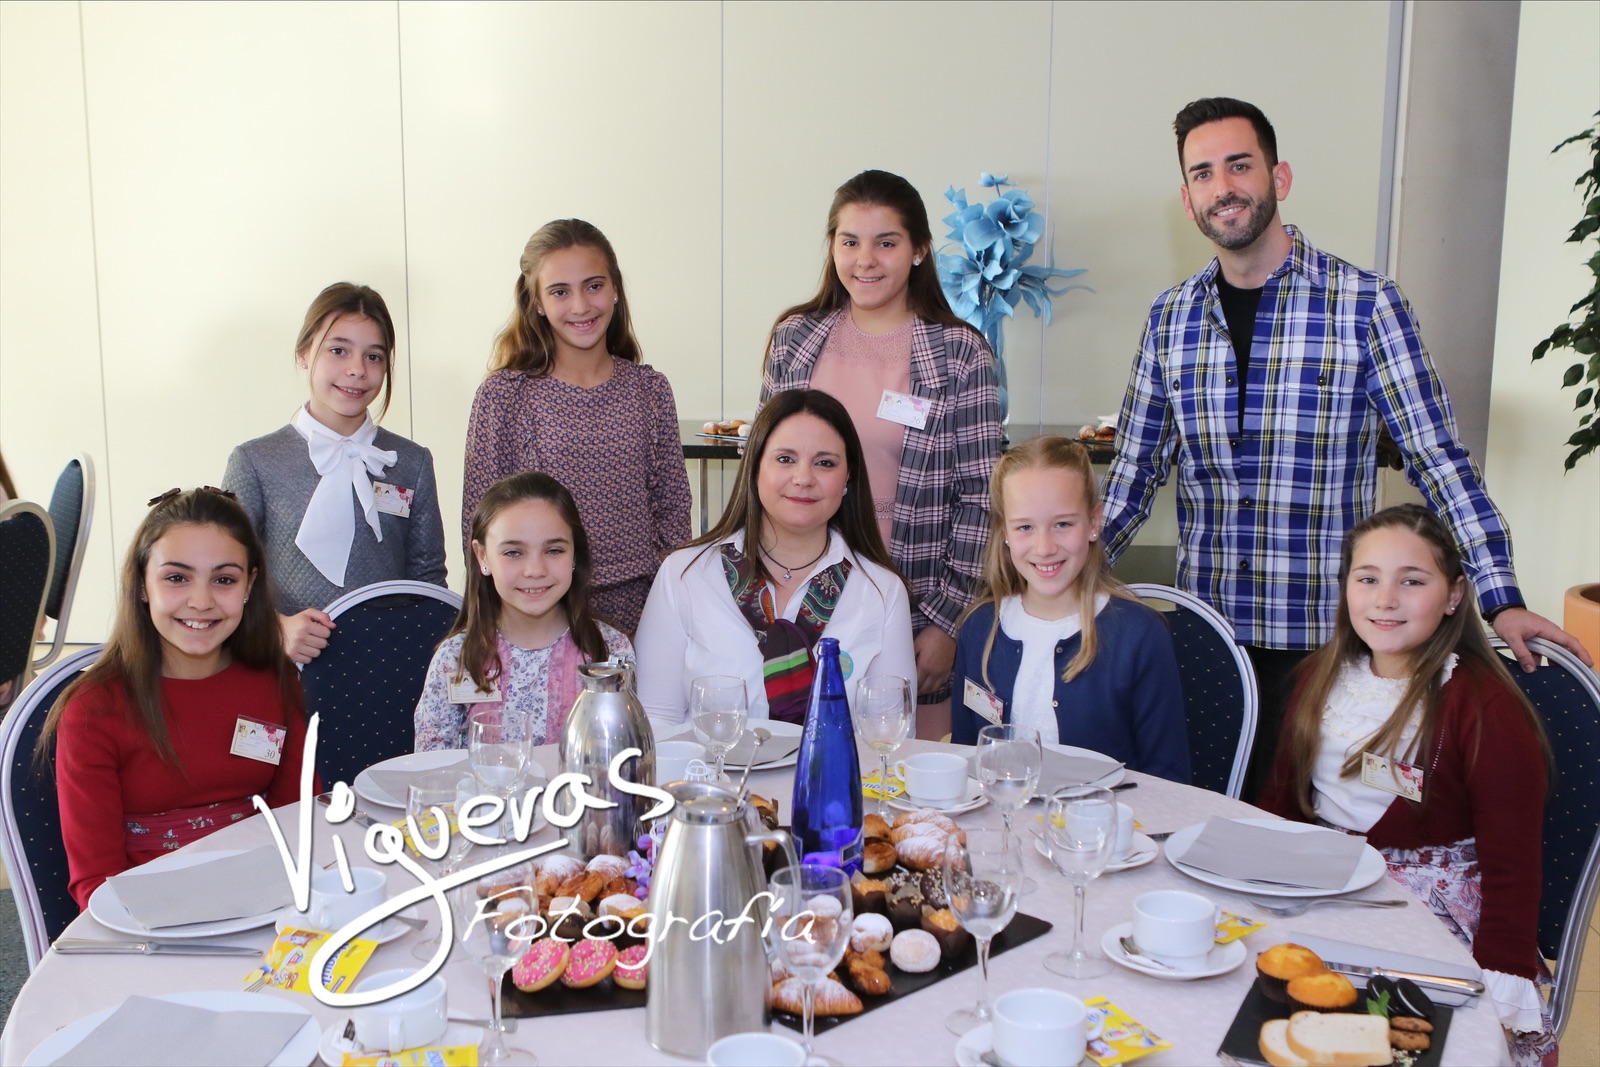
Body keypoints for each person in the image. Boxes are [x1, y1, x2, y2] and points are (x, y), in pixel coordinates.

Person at [1100, 96, 1590, 799]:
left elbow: (1438, 460)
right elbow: (1133, 474)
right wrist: (1058, 578)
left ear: (1279, 176)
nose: (1223, 187)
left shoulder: (1366, 304)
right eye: (1203, 174)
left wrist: (1500, 595)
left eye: (1239, 165)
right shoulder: (1169, 317)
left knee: (1316, 839)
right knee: (1203, 828)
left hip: (1328, 646)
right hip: (1211, 645)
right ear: (1187, 199)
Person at [1260, 505, 1556, 1065]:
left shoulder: (1484, 707)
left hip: (1428, 906)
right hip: (1324, 882)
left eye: (1412, 582)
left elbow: (1514, 863)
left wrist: (1503, 971)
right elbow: (1283, 803)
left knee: (1392, 1043)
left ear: (1453, 595)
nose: (1385, 599)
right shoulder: (1321, 677)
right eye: (1367, 579)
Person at [759, 170, 1001, 736]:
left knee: (897, 768)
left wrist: (947, 622)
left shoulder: (960, 353)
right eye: (850, 242)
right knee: (794, 759)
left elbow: (982, 500)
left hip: (915, 605)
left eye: (886, 243)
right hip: (798, 604)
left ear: (919, 250)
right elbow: (767, 471)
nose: (864, 260)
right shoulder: (795, 340)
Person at [39, 487, 312, 908]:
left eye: (224, 579)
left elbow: (298, 819)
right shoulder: (94, 710)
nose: (201, 602)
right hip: (150, 915)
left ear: (249, 584)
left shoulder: (275, 681)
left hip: (268, 899)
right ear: (142, 584)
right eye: (176, 578)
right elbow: (97, 884)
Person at [462, 219, 692, 636]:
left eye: (594, 286)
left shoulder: (649, 389)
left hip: (643, 609)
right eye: (560, 292)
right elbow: (478, 523)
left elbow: (673, 510)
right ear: (536, 301)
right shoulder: (504, 396)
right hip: (539, 609)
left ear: (615, 289)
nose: (581, 306)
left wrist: (674, 609)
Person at [635, 389, 916, 729]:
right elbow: (656, 721)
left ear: (848, 478)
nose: (803, 478)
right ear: (754, 467)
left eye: (825, 463)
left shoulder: (882, 591)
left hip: (835, 767)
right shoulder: (685, 575)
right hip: (712, 766)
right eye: (785, 459)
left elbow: (889, 736)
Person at [224, 283, 447, 665]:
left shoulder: (411, 463)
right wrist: (275, 628)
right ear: (304, 353)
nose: (357, 369)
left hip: (387, 666)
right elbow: (226, 575)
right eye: (338, 350)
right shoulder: (255, 462)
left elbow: (428, 581)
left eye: (374, 356)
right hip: (284, 668)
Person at [951, 437, 1190, 781]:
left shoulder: (1139, 635)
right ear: (1004, 531)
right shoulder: (979, 628)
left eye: (1063, 524)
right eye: (1025, 527)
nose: (1044, 547)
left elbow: (1169, 779)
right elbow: (966, 762)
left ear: (1094, 522)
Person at [414, 472, 631, 751]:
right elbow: (433, 765)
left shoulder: (610, 652)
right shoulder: (456, 658)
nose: (535, 570)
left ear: (575, 554)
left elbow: (623, 756)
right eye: (513, 553)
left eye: (554, 550)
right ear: (483, 557)